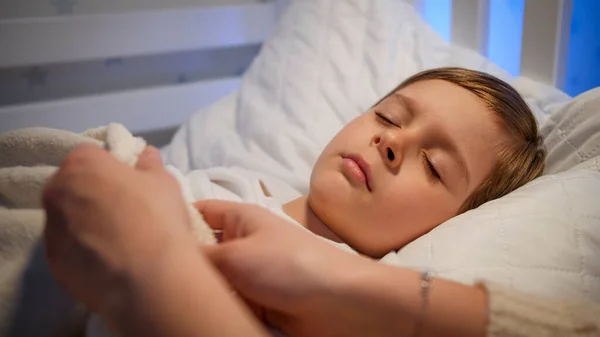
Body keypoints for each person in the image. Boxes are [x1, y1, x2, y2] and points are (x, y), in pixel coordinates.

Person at [43, 144, 600, 337]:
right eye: (388, 114)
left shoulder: (336, 299)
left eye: (432, 165)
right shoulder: (239, 181)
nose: (391, 140)